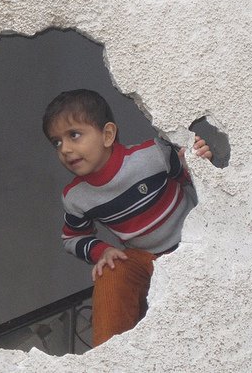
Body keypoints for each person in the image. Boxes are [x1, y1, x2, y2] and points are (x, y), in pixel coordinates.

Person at [42, 89, 213, 346]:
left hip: (197, 243)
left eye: (74, 135)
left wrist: (200, 161)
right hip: (146, 260)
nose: (65, 149)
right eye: (56, 142)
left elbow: (191, 178)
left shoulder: (151, 155)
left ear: (108, 135)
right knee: (112, 269)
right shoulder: (76, 197)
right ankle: (109, 355)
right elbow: (72, 238)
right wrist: (102, 251)